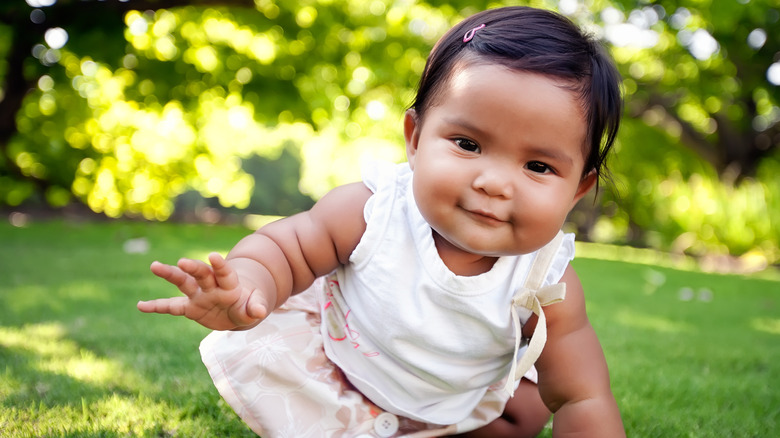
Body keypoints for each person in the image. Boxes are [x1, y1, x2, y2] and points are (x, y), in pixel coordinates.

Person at [138, 6, 625, 437]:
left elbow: (582, 396)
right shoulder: (371, 212)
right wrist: (248, 285)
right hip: (341, 365)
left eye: (538, 167)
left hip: (456, 397)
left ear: (576, 189)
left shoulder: (549, 283)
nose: (494, 183)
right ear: (414, 139)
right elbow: (287, 249)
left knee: (531, 408)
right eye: (468, 144)